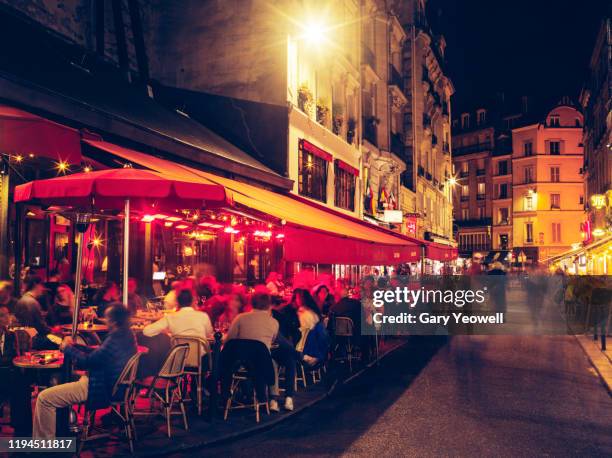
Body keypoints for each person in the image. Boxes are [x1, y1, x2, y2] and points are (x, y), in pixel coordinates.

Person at [33, 303, 137, 439]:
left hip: (99, 387)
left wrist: (67, 348)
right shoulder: (127, 335)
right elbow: (100, 354)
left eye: (107, 318)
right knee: (58, 379)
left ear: (114, 320)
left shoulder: (114, 338)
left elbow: (87, 362)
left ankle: (44, 447)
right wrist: (75, 346)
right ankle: (62, 429)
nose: (105, 321)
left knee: (44, 398)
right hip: (112, 384)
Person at [143, 289, 213, 339]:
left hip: (179, 358)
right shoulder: (203, 316)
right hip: (201, 358)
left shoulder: (170, 317)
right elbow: (208, 334)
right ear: (192, 302)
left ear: (177, 303)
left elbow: (146, 331)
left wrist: (164, 332)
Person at [14, 276, 55, 349]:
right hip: (34, 339)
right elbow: (41, 326)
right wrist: (54, 331)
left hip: (23, 339)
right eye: (41, 285)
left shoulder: (22, 300)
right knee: (59, 341)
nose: (42, 288)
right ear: (36, 285)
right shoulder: (32, 302)